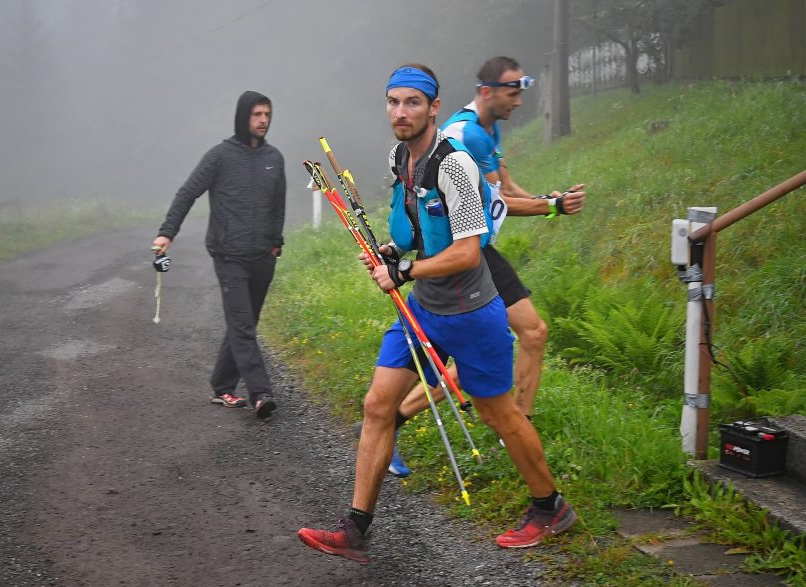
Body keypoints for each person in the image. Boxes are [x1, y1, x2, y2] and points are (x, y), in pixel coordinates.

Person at [297, 64, 576, 564]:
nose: (400, 112)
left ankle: (550, 507)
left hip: (472, 313)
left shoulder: (456, 165)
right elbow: (415, 236)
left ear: (434, 107)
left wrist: (402, 271)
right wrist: (389, 252)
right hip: (422, 309)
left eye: (412, 103)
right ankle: (355, 529)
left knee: (499, 414)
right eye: (393, 102)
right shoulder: (399, 158)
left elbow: (469, 252)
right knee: (378, 405)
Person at [368, 56, 587, 478]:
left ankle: (510, 427)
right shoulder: (462, 138)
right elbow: (484, 212)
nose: (519, 101)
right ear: (487, 91)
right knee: (511, 339)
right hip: (465, 253)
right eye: (513, 91)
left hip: (470, 249)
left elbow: (502, 193)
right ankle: (511, 429)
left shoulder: (489, 129)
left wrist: (548, 201)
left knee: (499, 345)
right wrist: (552, 207)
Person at [151, 90, 285, 420]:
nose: (263, 120)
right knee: (242, 326)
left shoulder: (274, 158)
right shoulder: (220, 157)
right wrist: (167, 232)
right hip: (229, 256)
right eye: (257, 114)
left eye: (267, 114)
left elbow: (278, 204)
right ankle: (261, 393)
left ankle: (222, 385)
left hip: (262, 256)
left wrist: (276, 242)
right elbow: (187, 193)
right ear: (243, 117)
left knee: (245, 323)